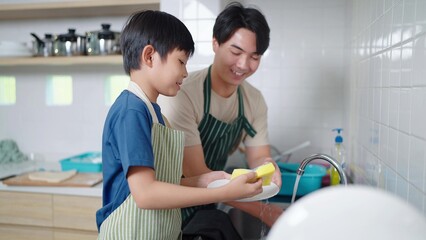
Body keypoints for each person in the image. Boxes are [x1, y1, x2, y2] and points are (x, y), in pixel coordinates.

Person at [95, 10, 263, 240]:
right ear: (150, 56)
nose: (185, 72)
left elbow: (162, 182)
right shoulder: (131, 112)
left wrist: (205, 181)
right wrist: (224, 192)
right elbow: (146, 194)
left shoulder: (154, 113)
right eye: (181, 61)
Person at [160, 2, 284, 229]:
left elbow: (257, 158)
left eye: (255, 57)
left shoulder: (253, 100)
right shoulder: (183, 94)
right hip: (171, 209)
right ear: (215, 43)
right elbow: (197, 174)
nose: (243, 65)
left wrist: (268, 164)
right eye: (236, 52)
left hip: (210, 204)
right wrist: (264, 211)